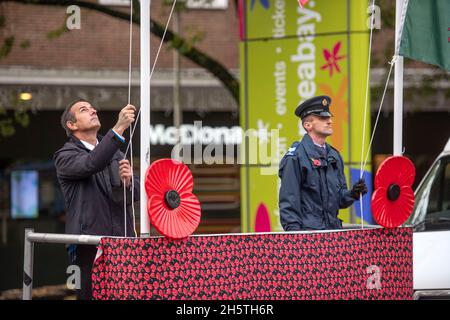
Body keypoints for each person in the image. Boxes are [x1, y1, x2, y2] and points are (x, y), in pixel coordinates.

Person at [54, 99, 139, 300]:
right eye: (84, 109)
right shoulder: (64, 155)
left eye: (93, 108)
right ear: (71, 125)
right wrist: (118, 129)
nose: (93, 110)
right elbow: (90, 164)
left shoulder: (114, 152)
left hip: (121, 244)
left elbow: (132, 196)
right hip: (88, 247)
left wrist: (127, 183)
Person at [278, 95, 367, 231]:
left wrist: (353, 194)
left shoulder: (334, 156)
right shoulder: (296, 157)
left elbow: (339, 200)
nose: (329, 121)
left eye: (329, 117)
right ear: (308, 125)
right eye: (323, 118)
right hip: (308, 236)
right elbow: (289, 203)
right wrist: (295, 239)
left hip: (333, 233)